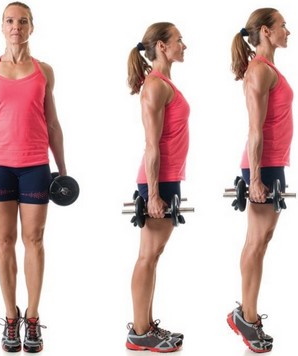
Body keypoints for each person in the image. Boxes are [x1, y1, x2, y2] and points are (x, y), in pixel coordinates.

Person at [0, 2, 67, 353]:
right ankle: (10, 317)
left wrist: (63, 167)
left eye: (23, 21)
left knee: (35, 239)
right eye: (10, 21)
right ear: (2, 26)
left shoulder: (44, 71)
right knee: (3, 240)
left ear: (32, 27)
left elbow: (53, 124)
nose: (16, 26)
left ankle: (32, 316)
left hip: (34, 166)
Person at [227, 8, 292, 353]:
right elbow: (254, 129)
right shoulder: (259, 72)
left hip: (272, 166)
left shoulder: (268, 69)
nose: (288, 31)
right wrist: (254, 178)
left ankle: (246, 313)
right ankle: (246, 318)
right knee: (255, 242)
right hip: (261, 168)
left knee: (262, 241)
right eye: (283, 26)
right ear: (266, 31)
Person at [125, 22, 189, 352]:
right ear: (162, 46)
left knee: (152, 255)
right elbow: (151, 146)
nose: (184, 45)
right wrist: (151, 194)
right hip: (157, 181)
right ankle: (139, 331)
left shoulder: (163, 84)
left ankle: (145, 328)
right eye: (179, 40)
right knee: (147, 256)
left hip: (167, 178)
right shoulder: (156, 86)